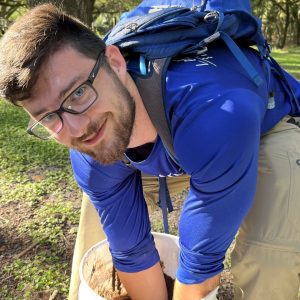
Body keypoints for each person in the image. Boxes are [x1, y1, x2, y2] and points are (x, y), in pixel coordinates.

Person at [0, 4, 299, 300]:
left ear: (115, 62)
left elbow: (199, 266)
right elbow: (131, 253)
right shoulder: (88, 143)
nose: (76, 129)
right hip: (174, 141)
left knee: (269, 253)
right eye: (49, 117)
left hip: (262, 128)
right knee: (98, 207)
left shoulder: (216, 116)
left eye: (78, 92)